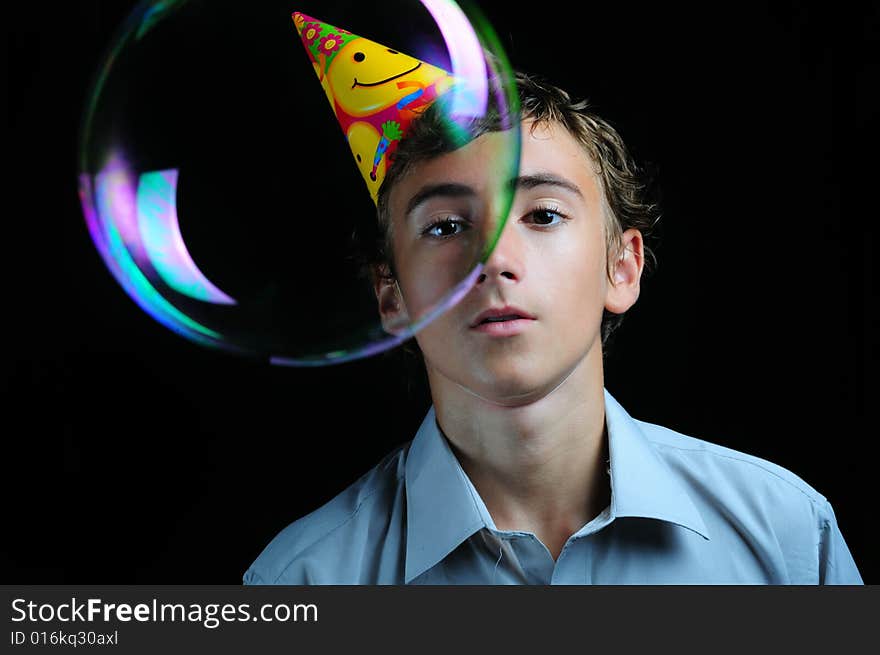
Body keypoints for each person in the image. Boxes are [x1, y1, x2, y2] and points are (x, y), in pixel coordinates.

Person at [244, 17, 863, 584]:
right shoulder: (303, 580)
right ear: (391, 294)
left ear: (622, 266)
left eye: (543, 214)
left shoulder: (786, 536)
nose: (494, 260)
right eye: (444, 227)